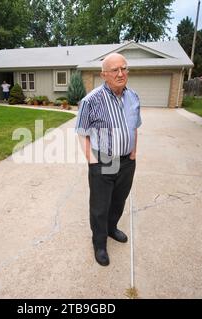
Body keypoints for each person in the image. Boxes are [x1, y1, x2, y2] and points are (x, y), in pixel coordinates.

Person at [75, 53, 142, 266]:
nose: (121, 73)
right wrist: (92, 161)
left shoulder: (133, 96)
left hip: (127, 161)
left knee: (119, 200)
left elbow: (135, 127)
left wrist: (133, 152)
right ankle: (99, 243)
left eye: (124, 68)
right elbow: (82, 132)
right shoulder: (91, 100)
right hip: (104, 160)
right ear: (104, 74)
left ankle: (112, 228)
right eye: (115, 70)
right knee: (100, 206)